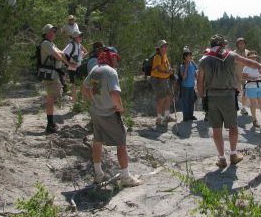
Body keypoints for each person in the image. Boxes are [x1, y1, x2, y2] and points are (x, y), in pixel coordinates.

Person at [197, 34, 261, 168]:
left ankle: (222, 158)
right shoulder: (231, 55)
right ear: (222, 44)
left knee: (216, 129)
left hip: (212, 96)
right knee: (233, 126)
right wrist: (260, 66)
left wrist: (203, 97)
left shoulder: (204, 60)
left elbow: (200, 82)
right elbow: (249, 62)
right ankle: (233, 155)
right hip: (228, 95)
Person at [82, 49, 142, 187]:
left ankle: (98, 174)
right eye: (115, 57)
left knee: (97, 141)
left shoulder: (95, 69)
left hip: (96, 112)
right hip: (109, 113)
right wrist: (120, 107)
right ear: (110, 57)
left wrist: (93, 101)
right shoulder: (111, 72)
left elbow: (84, 88)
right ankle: (126, 177)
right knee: (121, 142)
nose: (116, 61)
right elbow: (115, 94)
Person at [39, 24, 76, 133]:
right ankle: (50, 124)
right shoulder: (46, 43)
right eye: (51, 31)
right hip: (50, 74)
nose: (54, 33)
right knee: (51, 97)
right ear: (46, 33)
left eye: (54, 31)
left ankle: (50, 123)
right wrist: (68, 63)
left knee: (52, 97)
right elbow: (57, 55)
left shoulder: (51, 43)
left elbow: (61, 53)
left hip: (54, 74)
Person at [151, 40, 176, 125]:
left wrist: (171, 70)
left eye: (166, 46)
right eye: (163, 46)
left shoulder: (164, 55)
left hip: (165, 79)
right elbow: (158, 68)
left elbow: (166, 66)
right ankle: (158, 119)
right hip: (159, 79)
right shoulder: (157, 57)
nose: (165, 48)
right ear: (159, 48)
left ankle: (166, 116)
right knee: (161, 99)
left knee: (168, 97)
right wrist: (168, 72)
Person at [243, 51, 261, 128]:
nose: (253, 58)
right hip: (251, 86)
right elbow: (243, 77)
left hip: (260, 86)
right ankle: (254, 120)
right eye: (251, 57)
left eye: (254, 57)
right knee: (253, 104)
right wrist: (252, 78)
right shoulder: (246, 67)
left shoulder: (259, 65)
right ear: (248, 58)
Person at [63, 30, 88, 105]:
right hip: (72, 69)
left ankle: (80, 102)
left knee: (81, 84)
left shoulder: (79, 44)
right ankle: (75, 104)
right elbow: (62, 54)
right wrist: (69, 63)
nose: (81, 37)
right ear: (75, 37)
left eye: (81, 35)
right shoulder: (71, 45)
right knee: (74, 86)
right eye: (79, 36)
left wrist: (81, 56)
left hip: (79, 68)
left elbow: (86, 51)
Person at [179, 47, 198, 121]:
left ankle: (191, 115)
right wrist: (186, 67)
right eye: (189, 55)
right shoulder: (182, 66)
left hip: (192, 86)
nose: (190, 57)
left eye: (191, 55)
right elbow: (183, 77)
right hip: (185, 86)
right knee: (185, 102)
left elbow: (196, 72)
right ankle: (185, 117)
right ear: (185, 57)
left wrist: (197, 82)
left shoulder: (193, 63)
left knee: (191, 101)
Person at [233, 37, 250, 116]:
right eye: (239, 43)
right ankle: (234, 108)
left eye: (243, 43)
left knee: (245, 92)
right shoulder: (233, 53)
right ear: (237, 44)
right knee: (235, 92)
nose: (241, 44)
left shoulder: (248, 52)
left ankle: (243, 108)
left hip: (246, 75)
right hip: (236, 75)